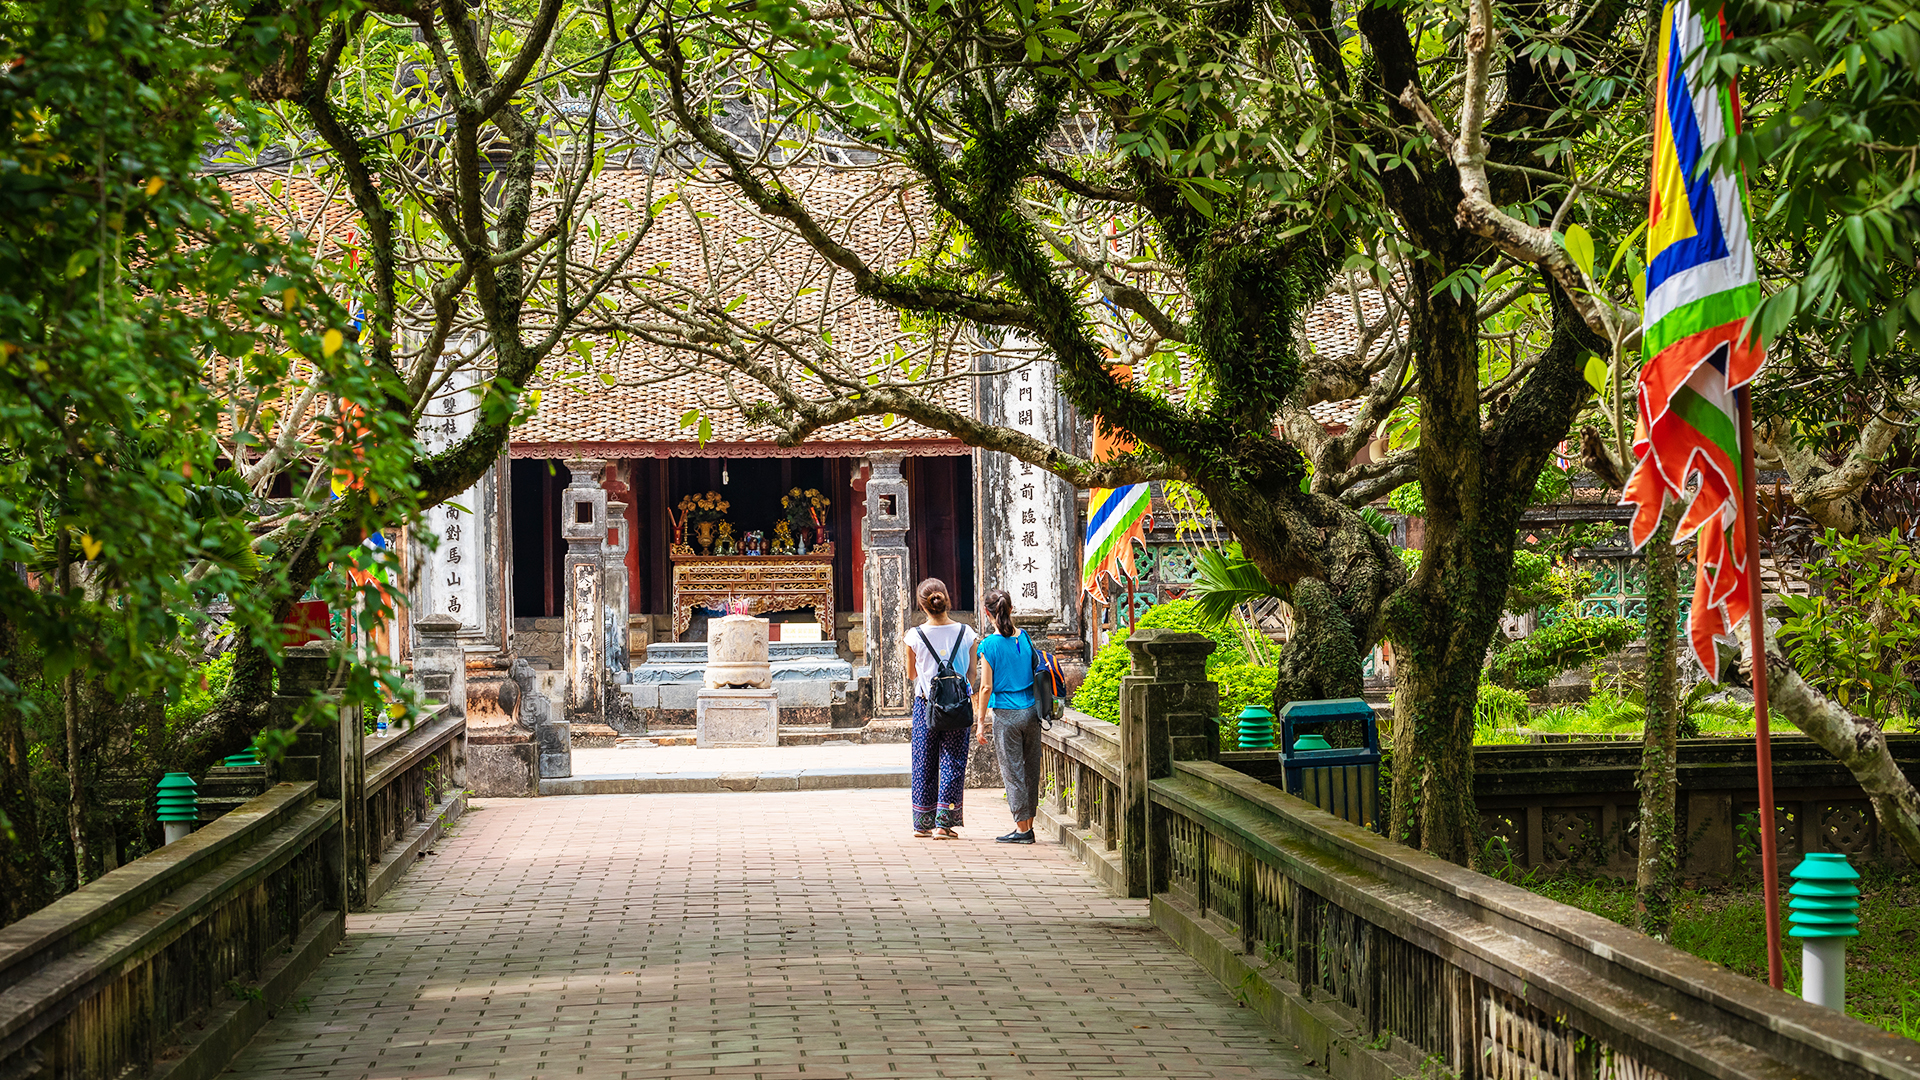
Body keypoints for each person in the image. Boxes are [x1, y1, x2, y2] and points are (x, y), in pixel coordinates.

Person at [905, 577, 978, 838]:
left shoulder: (914, 636)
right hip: (958, 704)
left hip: (926, 704)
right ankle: (943, 823)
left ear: (922, 606)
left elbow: (912, 675)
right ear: (947, 599)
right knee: (953, 760)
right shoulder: (967, 633)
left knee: (924, 760)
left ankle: (922, 823)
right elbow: (971, 673)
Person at [973, 589, 1041, 844]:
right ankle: (1029, 826)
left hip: (1006, 713)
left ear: (986, 613)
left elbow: (986, 687)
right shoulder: (1024, 638)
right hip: (1031, 711)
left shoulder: (988, 645)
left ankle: (1022, 829)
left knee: (1013, 772)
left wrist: (980, 722)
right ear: (1010, 610)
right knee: (1030, 769)